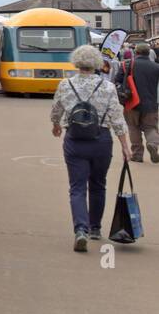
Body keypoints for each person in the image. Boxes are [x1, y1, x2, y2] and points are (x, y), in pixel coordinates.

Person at [50, 46, 129, 251]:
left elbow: (56, 109)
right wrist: (125, 145)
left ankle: (80, 230)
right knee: (98, 184)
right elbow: (117, 117)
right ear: (97, 64)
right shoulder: (108, 86)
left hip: (75, 139)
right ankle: (95, 228)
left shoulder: (65, 85)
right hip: (101, 140)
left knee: (76, 187)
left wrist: (56, 125)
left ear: (76, 62)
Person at [118, 41, 159, 162]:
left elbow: (117, 80)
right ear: (149, 52)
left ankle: (137, 155)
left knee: (133, 127)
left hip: (131, 102)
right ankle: (153, 143)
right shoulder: (156, 67)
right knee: (150, 127)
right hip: (151, 103)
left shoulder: (126, 65)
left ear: (136, 52)